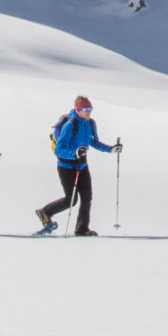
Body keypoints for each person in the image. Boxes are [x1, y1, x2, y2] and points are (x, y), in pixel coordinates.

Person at [35, 95, 120, 237]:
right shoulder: (70, 125)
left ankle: (82, 229)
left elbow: (93, 142)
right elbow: (59, 149)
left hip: (82, 165)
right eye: (86, 109)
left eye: (90, 109)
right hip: (66, 167)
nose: (89, 112)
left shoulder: (90, 123)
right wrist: (74, 154)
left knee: (87, 197)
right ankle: (45, 212)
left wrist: (111, 149)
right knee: (71, 200)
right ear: (78, 109)